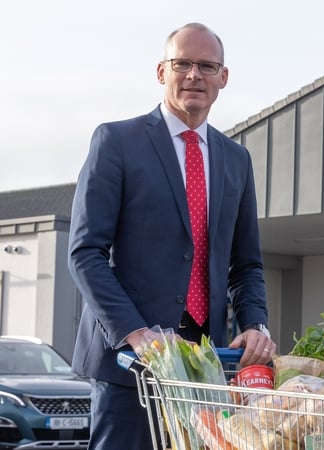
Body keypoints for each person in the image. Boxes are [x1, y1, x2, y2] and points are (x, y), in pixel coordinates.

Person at [68, 23, 276, 449]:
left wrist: (255, 324)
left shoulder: (236, 159)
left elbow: (247, 264)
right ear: (161, 72)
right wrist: (137, 332)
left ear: (223, 78)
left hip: (206, 371)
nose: (194, 75)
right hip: (130, 368)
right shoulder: (116, 141)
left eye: (207, 66)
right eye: (182, 63)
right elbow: (86, 252)